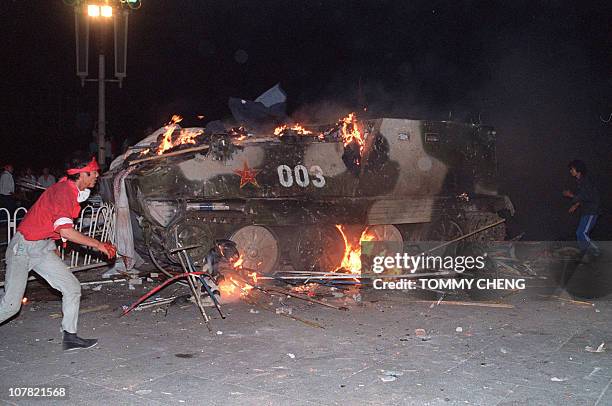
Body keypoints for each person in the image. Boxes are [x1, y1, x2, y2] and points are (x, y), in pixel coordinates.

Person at [0, 157, 117, 351]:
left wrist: (53, 247)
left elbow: (51, 223)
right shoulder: (64, 192)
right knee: (11, 306)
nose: (97, 175)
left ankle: (70, 337)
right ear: (82, 174)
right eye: (94, 171)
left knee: (71, 288)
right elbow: (66, 231)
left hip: (41, 248)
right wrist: (99, 244)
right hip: (23, 248)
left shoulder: (68, 189)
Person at [563, 159, 600, 256]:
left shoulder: (585, 181)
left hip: (591, 211)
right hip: (587, 210)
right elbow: (583, 197)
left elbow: (586, 196)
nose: (570, 171)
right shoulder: (581, 181)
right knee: (580, 233)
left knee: (581, 233)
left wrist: (570, 195)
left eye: (572, 169)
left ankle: (596, 251)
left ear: (578, 170)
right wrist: (575, 206)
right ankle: (586, 253)